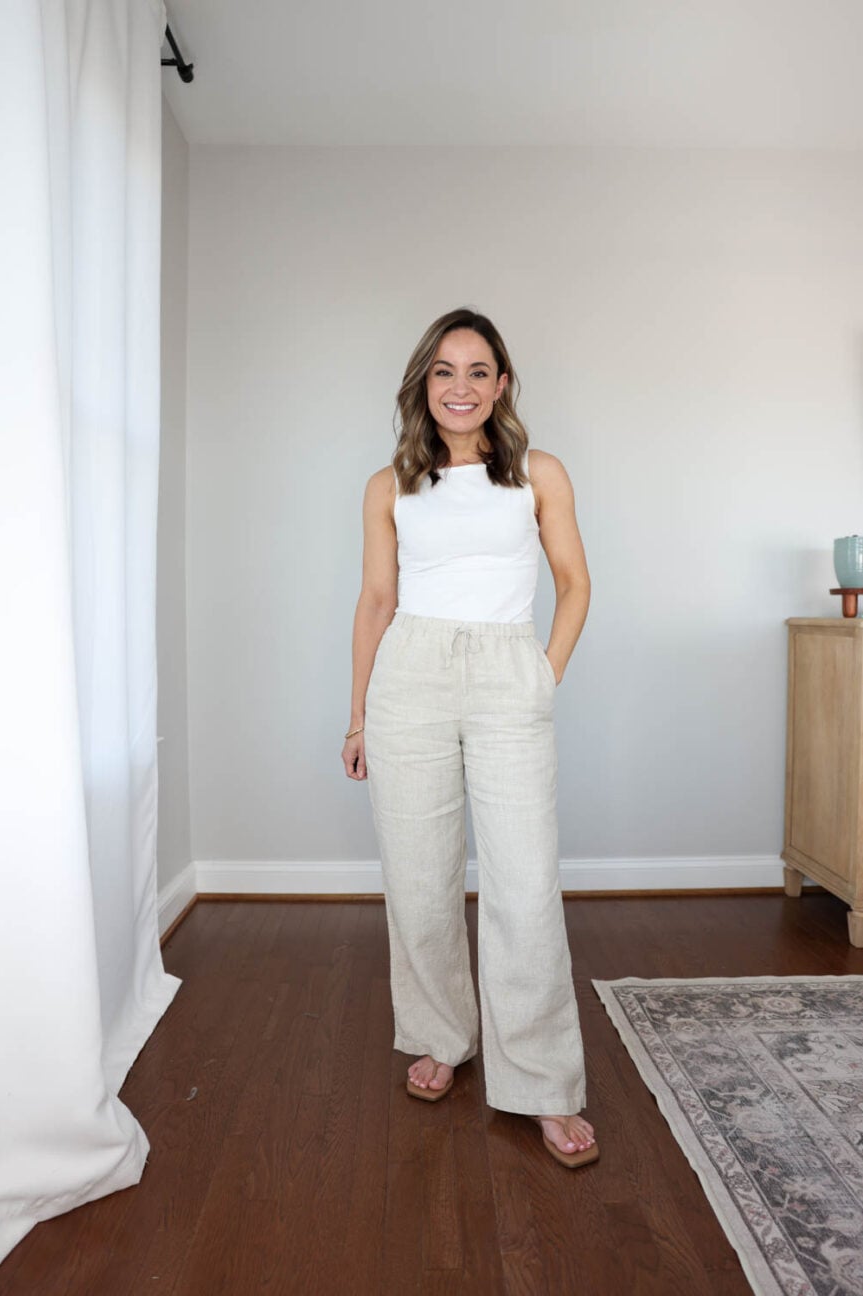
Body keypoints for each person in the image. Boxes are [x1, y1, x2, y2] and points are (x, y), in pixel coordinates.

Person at [341, 307, 598, 1169]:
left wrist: (541, 673)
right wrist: (357, 714)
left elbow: (572, 581)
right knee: (418, 874)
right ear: (424, 382)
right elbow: (377, 601)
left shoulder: (537, 474)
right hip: (407, 673)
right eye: (445, 371)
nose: (461, 386)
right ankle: (440, 1035)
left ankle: (542, 1083)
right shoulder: (389, 486)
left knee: (523, 883)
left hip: (503, 670)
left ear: (501, 384)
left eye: (478, 370)